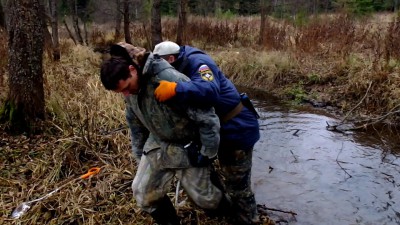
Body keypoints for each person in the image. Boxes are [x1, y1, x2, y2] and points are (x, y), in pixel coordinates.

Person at [100, 42, 231, 225]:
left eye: (127, 87)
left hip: (188, 146)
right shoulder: (129, 93)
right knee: (143, 193)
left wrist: (208, 152)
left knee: (206, 199)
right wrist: (139, 155)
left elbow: (207, 118)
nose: (126, 94)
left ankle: (226, 214)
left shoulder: (168, 78)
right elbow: (135, 123)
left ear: (132, 70)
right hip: (158, 144)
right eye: (120, 92)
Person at [153, 41, 263, 225]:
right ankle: (227, 213)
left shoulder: (199, 63)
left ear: (171, 59)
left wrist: (176, 89)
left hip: (236, 129)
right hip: (214, 132)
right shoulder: (178, 67)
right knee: (213, 176)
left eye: (162, 64)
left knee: (238, 185)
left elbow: (210, 91)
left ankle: (249, 219)